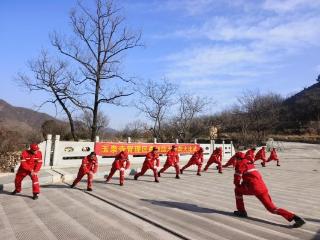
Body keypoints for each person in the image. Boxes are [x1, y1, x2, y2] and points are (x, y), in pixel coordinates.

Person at [233, 152, 305, 228]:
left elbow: (237, 178)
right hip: (262, 188)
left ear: (238, 158)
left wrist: (238, 185)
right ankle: (296, 218)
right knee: (272, 208)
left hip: (253, 188)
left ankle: (242, 211)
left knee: (237, 190)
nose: (235, 160)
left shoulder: (240, 164)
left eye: (235, 158)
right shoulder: (250, 163)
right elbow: (251, 177)